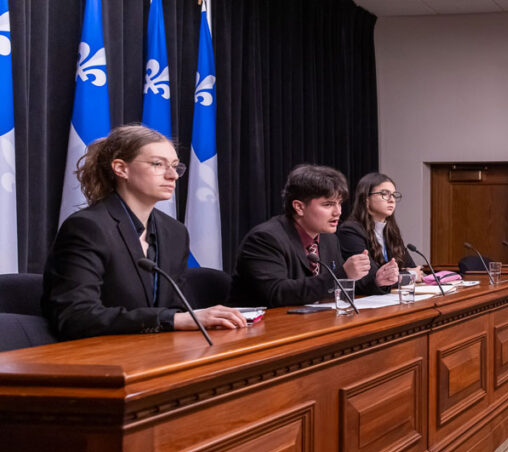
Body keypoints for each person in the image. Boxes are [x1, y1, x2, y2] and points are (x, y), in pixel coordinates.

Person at [43, 124, 246, 340]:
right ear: (121, 168)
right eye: (158, 164)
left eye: (176, 166)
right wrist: (175, 319)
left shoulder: (174, 232)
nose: (173, 176)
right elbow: (76, 316)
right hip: (100, 358)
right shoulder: (88, 228)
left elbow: (174, 305)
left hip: (158, 352)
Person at [230, 164, 371, 307]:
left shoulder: (329, 239)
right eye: (328, 204)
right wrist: (342, 274)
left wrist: (377, 280)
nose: (338, 212)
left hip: (313, 322)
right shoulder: (265, 239)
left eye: (339, 203)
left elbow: (329, 289)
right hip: (265, 325)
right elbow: (276, 293)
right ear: (299, 207)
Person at [337, 172, 416, 295]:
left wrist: (408, 273)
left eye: (394, 195)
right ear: (366, 199)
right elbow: (370, 279)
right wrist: (410, 275)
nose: (392, 200)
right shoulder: (350, 231)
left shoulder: (391, 232)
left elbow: (411, 266)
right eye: (384, 194)